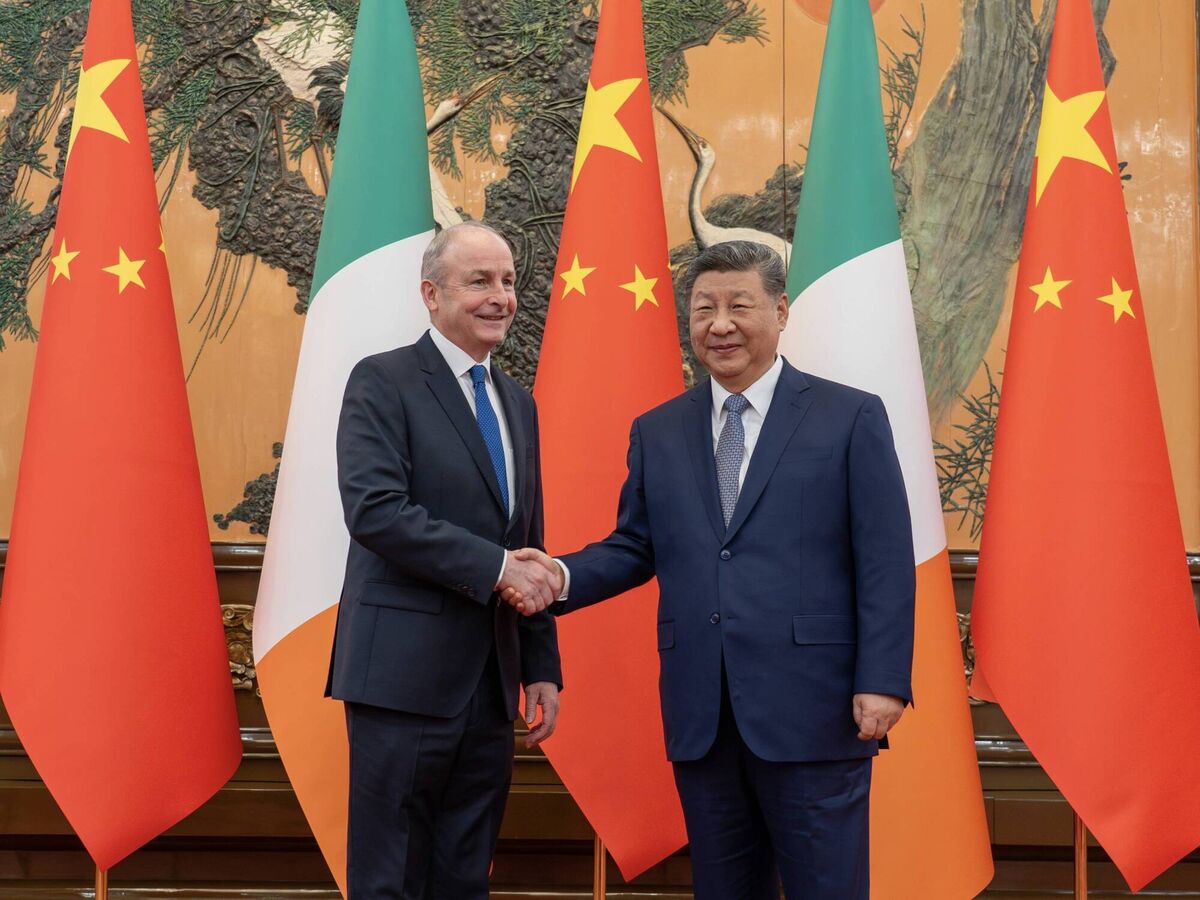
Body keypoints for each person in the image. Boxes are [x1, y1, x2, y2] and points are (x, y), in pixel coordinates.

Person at [508, 240, 915, 898]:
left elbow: (885, 560)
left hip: (815, 710)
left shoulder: (849, 416)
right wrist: (560, 576)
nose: (719, 325)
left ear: (780, 311)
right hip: (704, 714)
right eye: (703, 309)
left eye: (739, 306)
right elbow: (635, 546)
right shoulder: (659, 430)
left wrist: (883, 680)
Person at [327, 221, 563, 899]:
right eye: (480, 281)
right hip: (401, 680)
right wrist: (496, 569)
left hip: (491, 683)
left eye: (509, 281)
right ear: (431, 294)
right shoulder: (383, 380)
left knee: (465, 877)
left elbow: (528, 537)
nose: (501, 297)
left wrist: (541, 665)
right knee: (390, 879)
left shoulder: (517, 402)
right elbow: (376, 511)